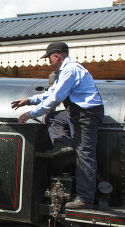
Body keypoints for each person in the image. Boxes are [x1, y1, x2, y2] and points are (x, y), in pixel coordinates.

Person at [11, 41, 104, 209]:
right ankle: (64, 144)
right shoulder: (67, 70)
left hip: (86, 115)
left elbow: (55, 98)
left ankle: (85, 199)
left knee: (84, 155)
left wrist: (32, 113)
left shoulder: (70, 70)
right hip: (77, 112)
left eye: (49, 58)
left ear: (57, 56)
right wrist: (29, 100)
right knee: (54, 117)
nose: (48, 62)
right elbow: (52, 92)